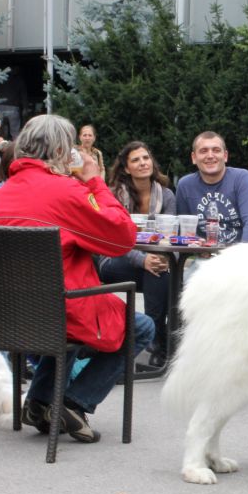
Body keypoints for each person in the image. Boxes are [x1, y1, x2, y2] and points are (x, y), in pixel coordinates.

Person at [0, 114, 155, 443]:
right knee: (139, 326)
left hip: (2, 318)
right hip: (56, 313)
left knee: (66, 307)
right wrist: (94, 181)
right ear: (62, 150)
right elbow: (121, 238)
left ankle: (39, 402)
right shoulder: (68, 192)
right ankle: (73, 403)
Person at [97, 141, 175, 364]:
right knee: (153, 270)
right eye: (135, 160)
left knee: (159, 272)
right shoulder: (113, 195)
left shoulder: (166, 195)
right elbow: (112, 239)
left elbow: (170, 234)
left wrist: (162, 259)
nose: (143, 163)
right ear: (125, 168)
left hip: (154, 260)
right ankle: (159, 341)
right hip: (114, 259)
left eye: (146, 158)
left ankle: (156, 340)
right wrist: (143, 260)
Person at [176, 131, 248, 245]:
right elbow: (184, 229)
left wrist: (242, 256)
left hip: (245, 254)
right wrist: (198, 246)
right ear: (194, 157)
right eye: (203, 151)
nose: (210, 156)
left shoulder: (242, 179)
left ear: (225, 156)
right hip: (205, 256)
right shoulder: (185, 185)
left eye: (216, 150)